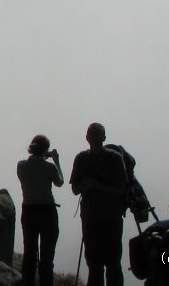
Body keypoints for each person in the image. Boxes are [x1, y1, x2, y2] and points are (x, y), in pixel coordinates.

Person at [69, 122, 128, 285]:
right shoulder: (84, 158)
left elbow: (121, 189)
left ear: (103, 138)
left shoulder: (111, 158)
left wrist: (94, 185)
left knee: (110, 263)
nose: (94, 138)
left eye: (97, 134)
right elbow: (75, 189)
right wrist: (87, 185)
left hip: (105, 217)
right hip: (96, 217)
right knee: (98, 264)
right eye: (92, 134)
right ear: (87, 137)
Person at [17, 134, 64, 286]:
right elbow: (60, 182)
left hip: (29, 211)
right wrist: (56, 161)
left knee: (29, 253)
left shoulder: (21, 166)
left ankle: (27, 282)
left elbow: (35, 165)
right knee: (47, 256)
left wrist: (43, 157)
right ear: (46, 149)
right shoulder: (50, 167)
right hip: (47, 212)